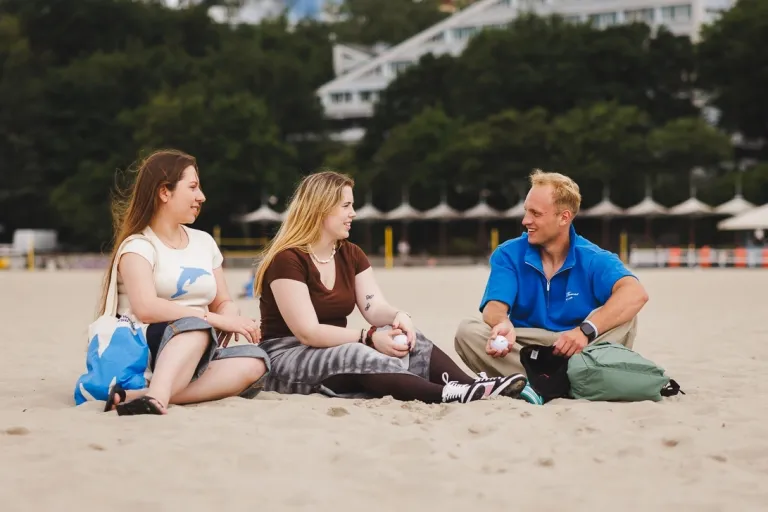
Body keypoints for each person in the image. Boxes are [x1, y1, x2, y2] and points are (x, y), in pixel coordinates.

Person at [254, 171, 527, 404]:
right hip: (287, 357)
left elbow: (373, 307)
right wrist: (369, 338)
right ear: (321, 209)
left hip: (332, 348)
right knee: (358, 351)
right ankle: (443, 394)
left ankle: (471, 386)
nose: (353, 213)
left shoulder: (350, 253)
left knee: (408, 336)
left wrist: (398, 317)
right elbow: (308, 332)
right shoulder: (287, 259)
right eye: (346, 206)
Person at [101, 149, 271, 415]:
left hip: (200, 345)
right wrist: (213, 320)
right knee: (195, 326)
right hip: (150, 347)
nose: (201, 196)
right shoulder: (138, 246)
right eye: (192, 187)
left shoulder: (204, 242)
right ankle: (157, 397)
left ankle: (139, 396)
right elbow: (146, 308)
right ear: (164, 192)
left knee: (256, 361)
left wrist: (230, 316)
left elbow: (223, 301)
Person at [454, 169, 649, 384]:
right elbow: (494, 307)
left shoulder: (593, 257)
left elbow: (635, 293)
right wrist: (502, 323)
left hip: (581, 345)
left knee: (627, 316)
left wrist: (584, 332)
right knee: (468, 332)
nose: (525, 220)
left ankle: (542, 380)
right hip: (529, 345)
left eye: (536, 214)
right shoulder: (508, 254)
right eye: (526, 211)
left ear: (564, 217)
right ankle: (574, 379)